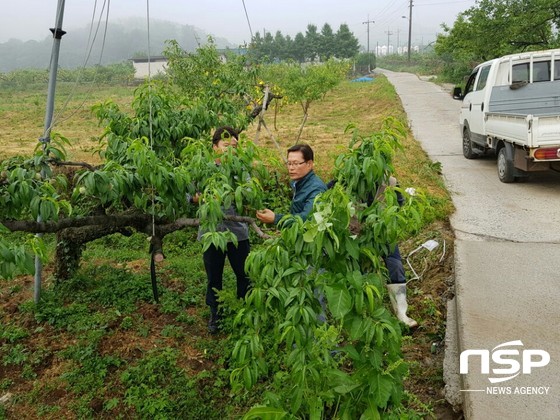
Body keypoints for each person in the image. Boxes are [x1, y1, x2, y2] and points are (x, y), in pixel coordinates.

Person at [195, 126, 251, 334]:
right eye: (226, 145)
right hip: (211, 233)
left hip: (238, 233)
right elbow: (189, 196)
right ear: (215, 147)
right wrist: (204, 197)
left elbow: (248, 194)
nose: (230, 150)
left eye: (234, 146)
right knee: (214, 276)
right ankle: (214, 313)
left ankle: (243, 311)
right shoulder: (203, 169)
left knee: (244, 275)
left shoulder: (241, 170)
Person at [256, 143, 327, 225]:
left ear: (309, 164)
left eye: (296, 163)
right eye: (289, 163)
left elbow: (306, 219)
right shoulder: (298, 183)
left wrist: (276, 219)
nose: (291, 168)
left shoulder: (316, 189)